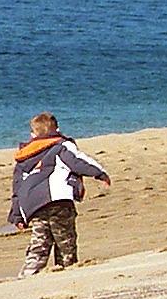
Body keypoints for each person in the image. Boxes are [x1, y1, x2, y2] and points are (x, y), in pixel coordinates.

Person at [8, 112, 111, 273]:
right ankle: (67, 269)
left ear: (32, 135)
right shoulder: (61, 146)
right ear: (57, 129)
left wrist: (17, 215)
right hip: (58, 200)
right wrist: (100, 173)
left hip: (33, 205)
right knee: (65, 240)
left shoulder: (24, 156)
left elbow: (18, 187)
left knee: (40, 242)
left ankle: (29, 273)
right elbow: (78, 161)